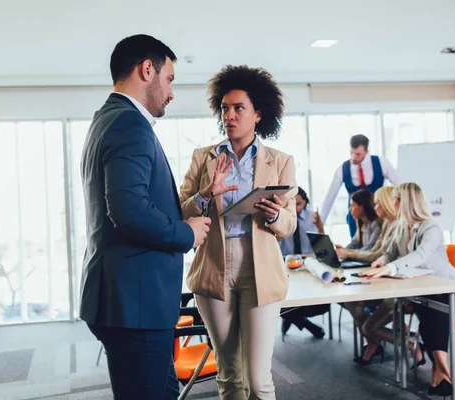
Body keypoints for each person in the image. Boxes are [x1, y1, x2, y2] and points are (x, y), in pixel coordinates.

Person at [80, 34, 211, 399]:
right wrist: (187, 234)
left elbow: (137, 203)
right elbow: (130, 211)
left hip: (125, 300)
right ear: (147, 69)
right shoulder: (129, 125)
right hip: (134, 304)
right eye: (169, 80)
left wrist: (202, 198)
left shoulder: (105, 119)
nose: (170, 93)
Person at [179, 65, 297, 400]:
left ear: (258, 114)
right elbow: (179, 210)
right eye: (224, 108)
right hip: (214, 264)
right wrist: (206, 193)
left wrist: (276, 216)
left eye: (238, 108)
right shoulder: (204, 158)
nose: (229, 116)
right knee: (230, 375)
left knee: (258, 380)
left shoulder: (281, 160)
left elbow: (289, 223)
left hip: (259, 266)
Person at [361, 183, 455, 397]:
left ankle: (441, 372)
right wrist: (381, 262)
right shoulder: (402, 227)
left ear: (404, 202)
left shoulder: (431, 228)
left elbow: (421, 255)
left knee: (432, 311)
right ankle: (442, 373)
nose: (392, 203)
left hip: (454, 295)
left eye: (395, 199)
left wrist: (390, 267)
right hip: (427, 294)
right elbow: (391, 253)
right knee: (428, 308)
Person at [341, 186, 398, 364]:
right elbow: (376, 251)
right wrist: (344, 251)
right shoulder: (385, 223)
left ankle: (375, 337)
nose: (375, 207)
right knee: (349, 300)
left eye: (378, 203)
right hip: (380, 274)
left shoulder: (386, 224)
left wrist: (348, 254)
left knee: (356, 306)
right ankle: (372, 339)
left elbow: (376, 253)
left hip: (391, 280)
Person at [320, 134, 402, 238]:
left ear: (367, 151)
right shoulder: (342, 169)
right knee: (356, 246)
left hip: (378, 215)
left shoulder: (381, 163)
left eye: (358, 154)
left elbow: (401, 186)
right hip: (355, 217)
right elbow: (329, 198)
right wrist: (320, 223)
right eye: (352, 153)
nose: (354, 157)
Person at [280, 187, 329, 339]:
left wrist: (320, 226)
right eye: (292, 203)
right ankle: (306, 324)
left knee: (320, 303)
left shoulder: (313, 217)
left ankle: (291, 318)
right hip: (287, 264)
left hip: (309, 264)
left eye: (299, 204)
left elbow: (322, 245)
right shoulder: (281, 217)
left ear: (306, 202)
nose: (295, 208)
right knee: (281, 302)